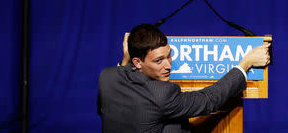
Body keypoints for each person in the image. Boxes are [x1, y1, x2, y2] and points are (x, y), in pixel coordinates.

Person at [97, 24, 270, 133]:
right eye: (158, 61)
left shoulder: (106, 77)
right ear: (138, 62)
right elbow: (209, 99)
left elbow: (104, 108)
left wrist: (126, 59)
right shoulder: (162, 95)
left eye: (169, 55)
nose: (168, 65)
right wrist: (246, 63)